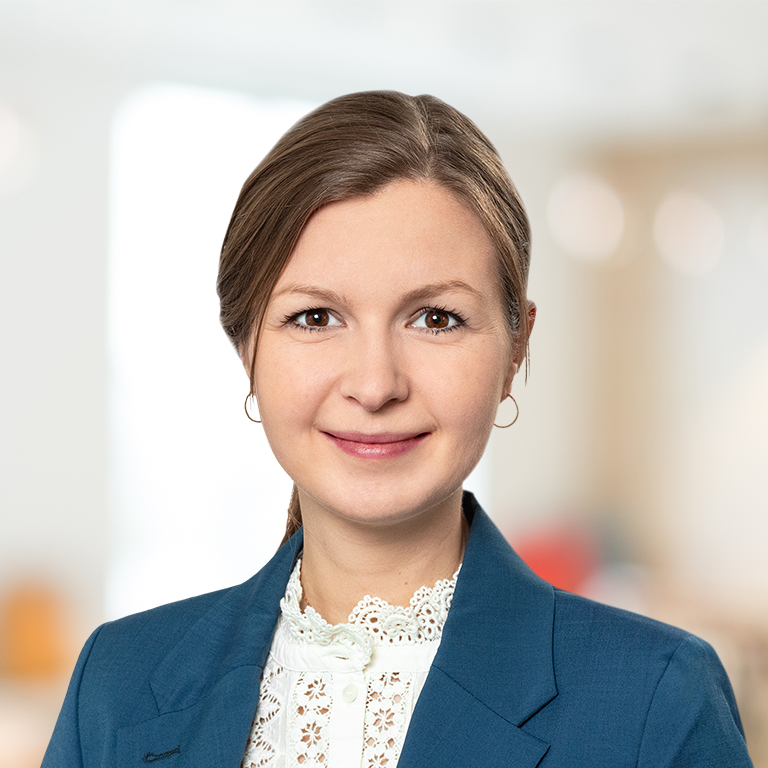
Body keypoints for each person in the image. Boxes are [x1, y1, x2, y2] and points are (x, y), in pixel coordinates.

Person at [43, 91, 752, 767]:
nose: (376, 385)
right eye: (315, 318)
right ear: (246, 348)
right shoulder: (117, 683)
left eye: (436, 318)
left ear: (515, 350)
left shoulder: (657, 697)